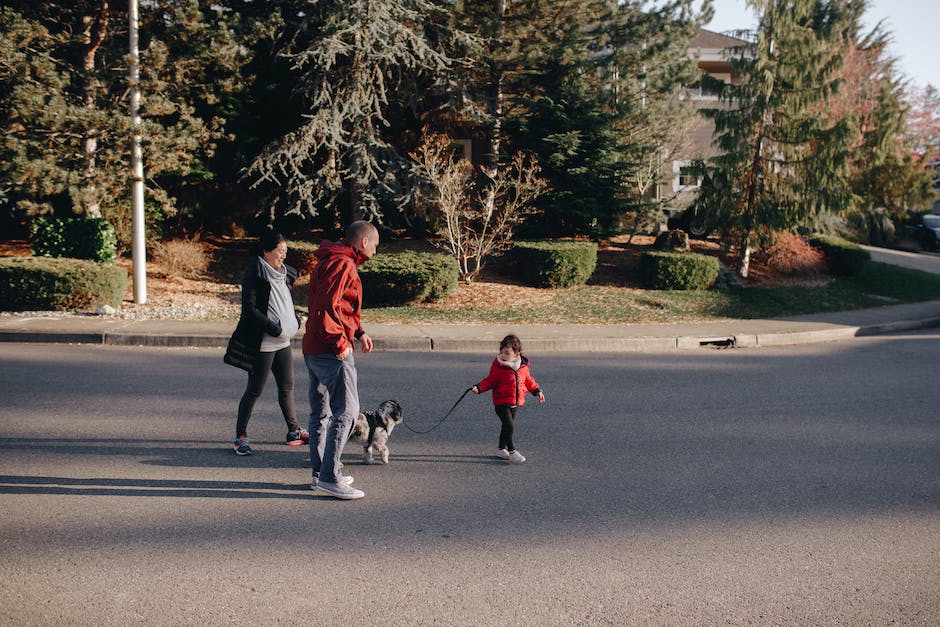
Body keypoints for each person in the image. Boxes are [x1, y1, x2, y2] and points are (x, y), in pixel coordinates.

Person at [303, 220, 379, 500]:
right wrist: (340, 343)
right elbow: (325, 306)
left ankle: (320, 472)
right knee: (347, 411)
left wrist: (359, 331)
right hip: (329, 346)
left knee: (320, 412)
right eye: (375, 245)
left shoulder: (332, 259)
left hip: (314, 346)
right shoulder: (343, 264)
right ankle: (330, 477)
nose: (376, 250)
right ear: (363, 242)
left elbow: (334, 304)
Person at [224, 231, 307, 455]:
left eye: (285, 252)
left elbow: (285, 301)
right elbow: (249, 310)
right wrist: (275, 328)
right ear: (266, 251)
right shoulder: (255, 273)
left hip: (283, 342)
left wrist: (295, 320)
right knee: (254, 390)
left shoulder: (284, 273)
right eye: (280, 251)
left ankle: (293, 431)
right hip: (264, 343)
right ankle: (240, 436)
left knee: (287, 387)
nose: (283, 256)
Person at [471, 334, 545, 464]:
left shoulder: (523, 367)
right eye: (502, 352)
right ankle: (512, 451)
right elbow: (490, 381)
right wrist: (479, 387)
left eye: (507, 353)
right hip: (501, 402)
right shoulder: (499, 367)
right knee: (509, 426)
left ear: (517, 354)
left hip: (515, 402)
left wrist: (537, 391)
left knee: (506, 427)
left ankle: (501, 449)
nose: (503, 355)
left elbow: (528, 381)